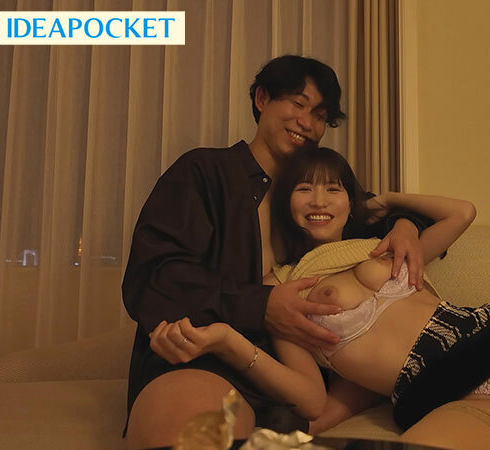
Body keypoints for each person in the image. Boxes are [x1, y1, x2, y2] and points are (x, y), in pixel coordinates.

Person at [150, 147, 490, 449]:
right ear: (285, 202)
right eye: (304, 188)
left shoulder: (384, 246)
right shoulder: (282, 289)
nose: (320, 199)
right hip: (443, 390)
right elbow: (311, 401)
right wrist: (226, 340)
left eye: (334, 188)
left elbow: (461, 212)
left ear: (351, 200)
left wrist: (387, 204)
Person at [122, 55, 430, 450]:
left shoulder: (315, 198)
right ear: (262, 99)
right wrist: (261, 304)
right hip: (207, 360)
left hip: (298, 382)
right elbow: (152, 278)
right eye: (298, 104)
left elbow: (379, 215)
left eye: (320, 115)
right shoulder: (204, 172)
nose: (307, 123)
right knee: (195, 433)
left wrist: (405, 225)